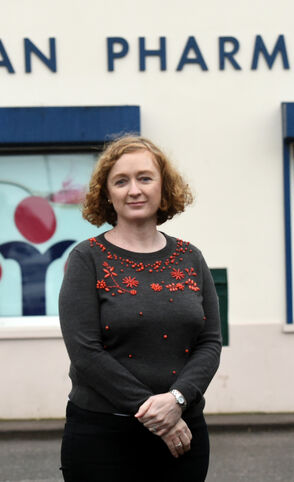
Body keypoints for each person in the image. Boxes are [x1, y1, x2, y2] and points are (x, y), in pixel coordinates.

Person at [58, 135, 222, 482]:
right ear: (107, 193)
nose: (134, 190)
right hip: (103, 439)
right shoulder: (87, 258)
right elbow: (85, 352)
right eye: (121, 181)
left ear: (164, 187)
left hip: (183, 433)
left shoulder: (191, 257)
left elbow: (209, 342)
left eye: (145, 178)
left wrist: (177, 400)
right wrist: (157, 414)